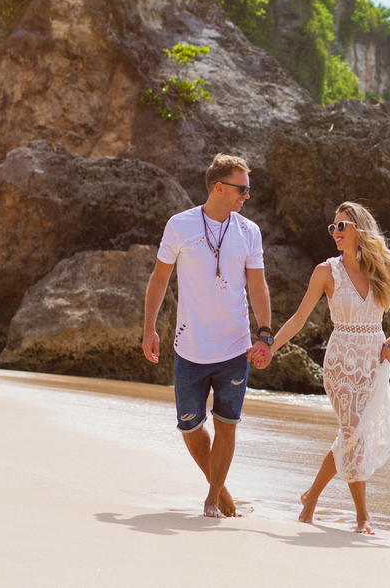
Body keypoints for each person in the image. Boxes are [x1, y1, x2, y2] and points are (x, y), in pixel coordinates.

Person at [267, 201, 390, 534]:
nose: (336, 232)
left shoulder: (383, 267)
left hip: (372, 364)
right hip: (340, 363)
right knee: (355, 434)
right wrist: (270, 347)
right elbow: (298, 319)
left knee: (351, 435)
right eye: (333, 227)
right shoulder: (326, 272)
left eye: (342, 226)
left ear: (359, 229)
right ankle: (362, 517)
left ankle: (311, 496)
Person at [141, 153, 273, 518]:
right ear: (219, 187)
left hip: (235, 347)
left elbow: (257, 286)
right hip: (190, 347)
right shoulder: (180, 226)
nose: (247, 195)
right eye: (242, 188)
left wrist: (264, 334)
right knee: (189, 426)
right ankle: (222, 488)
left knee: (227, 426)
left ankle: (212, 499)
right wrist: (149, 327)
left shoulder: (249, 231)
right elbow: (159, 278)